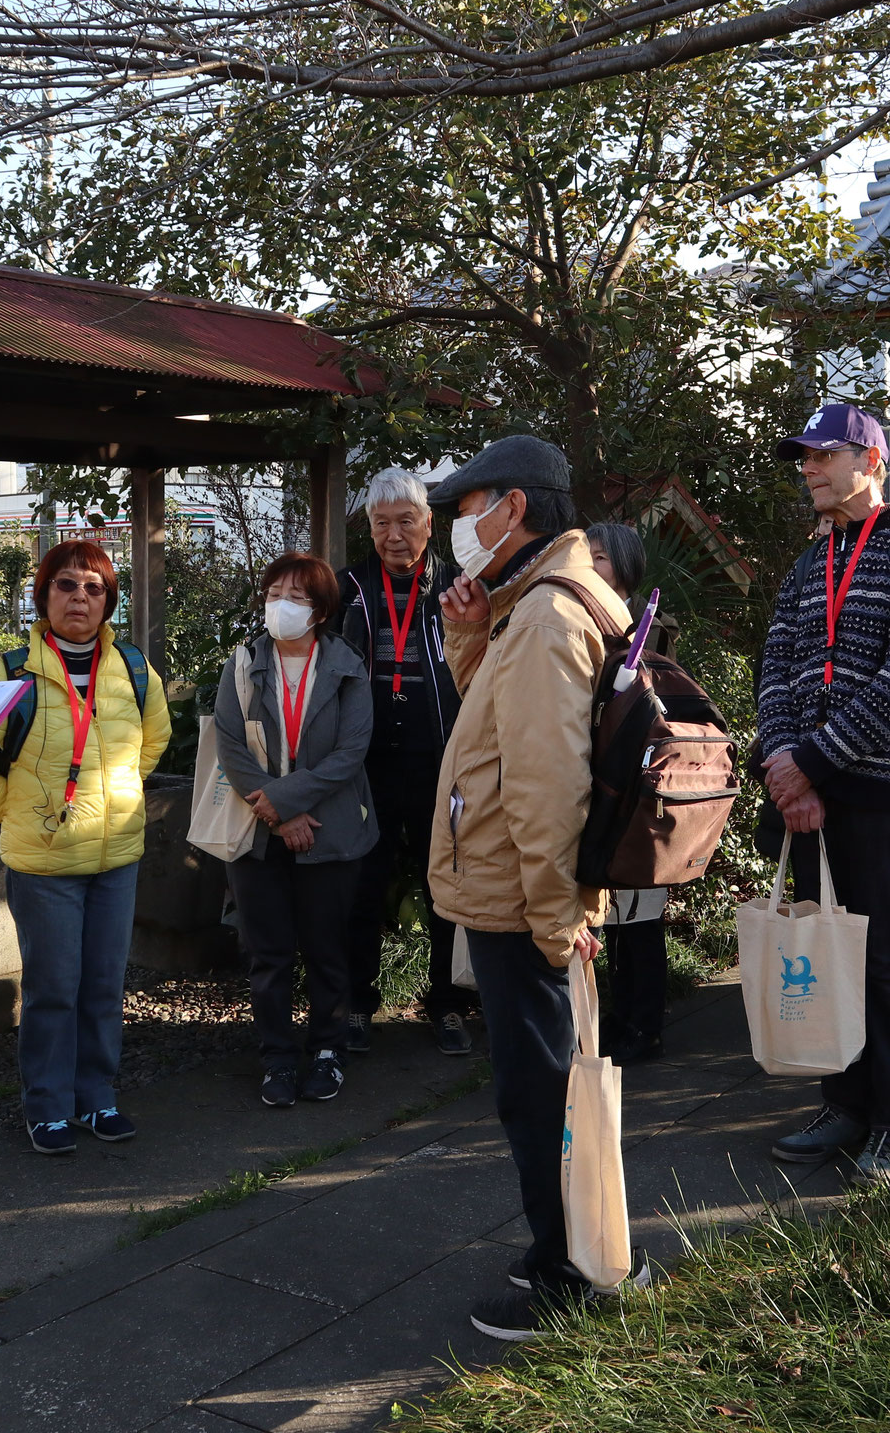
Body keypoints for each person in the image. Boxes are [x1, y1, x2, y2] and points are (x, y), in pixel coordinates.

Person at [418, 436, 633, 1343]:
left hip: (521, 895)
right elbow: (493, 723)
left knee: (540, 1091)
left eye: (468, 509)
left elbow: (549, 782)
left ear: (515, 507)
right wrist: (470, 630)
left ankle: (566, 1270)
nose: (458, 527)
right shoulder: (537, 602)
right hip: (518, 886)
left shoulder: (546, 616)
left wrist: (554, 916)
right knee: (551, 1084)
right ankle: (582, 1241)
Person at [756, 403, 890, 1183]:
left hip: (884, 788)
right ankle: (845, 1102)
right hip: (810, 789)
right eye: (803, 458)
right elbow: (774, 667)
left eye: (822, 456)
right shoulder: (809, 563)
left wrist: (813, 762)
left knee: (883, 960)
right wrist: (784, 766)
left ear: (870, 461)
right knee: (827, 956)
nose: (808, 470)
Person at [0, 539, 172, 1155]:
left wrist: (117, 794)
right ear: (44, 595)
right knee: (53, 987)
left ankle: (99, 1098)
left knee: (103, 985)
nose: (80, 598)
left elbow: (152, 743)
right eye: (67, 585)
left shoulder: (135, 670)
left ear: (108, 602)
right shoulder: (11, 671)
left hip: (115, 856)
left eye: (94, 588)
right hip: (43, 860)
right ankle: (48, 1106)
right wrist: (10, 810)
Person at [214, 554, 379, 1106]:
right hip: (258, 833)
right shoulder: (242, 663)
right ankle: (278, 1058)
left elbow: (351, 752)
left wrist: (284, 800)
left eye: (298, 596)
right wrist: (280, 816)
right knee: (269, 953)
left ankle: (328, 1051)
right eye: (274, 592)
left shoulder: (347, 665)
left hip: (331, 831)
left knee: (328, 948)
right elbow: (230, 747)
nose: (282, 604)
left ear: (322, 609)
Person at [333, 467, 473, 1055]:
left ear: (429, 523)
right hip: (367, 764)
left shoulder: (460, 585)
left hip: (441, 758)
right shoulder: (349, 587)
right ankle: (357, 1004)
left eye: (406, 521)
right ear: (369, 527)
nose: (394, 535)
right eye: (382, 523)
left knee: (444, 884)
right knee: (364, 882)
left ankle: (446, 1004)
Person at [586, 521, 671, 1063]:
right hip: (602, 780)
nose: (588, 565)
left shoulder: (647, 626)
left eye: (599, 556)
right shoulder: (585, 616)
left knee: (639, 915)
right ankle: (617, 1019)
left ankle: (644, 1024)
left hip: (637, 784)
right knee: (610, 913)